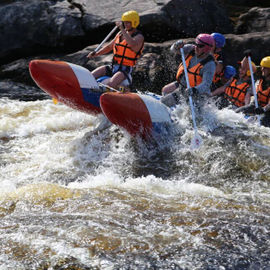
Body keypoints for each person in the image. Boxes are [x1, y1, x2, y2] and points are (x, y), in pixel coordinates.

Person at [87, 10, 144, 90]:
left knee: (110, 84)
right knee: (90, 76)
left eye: (128, 22)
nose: (125, 25)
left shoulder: (139, 37)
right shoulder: (120, 34)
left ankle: (127, 89)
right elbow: (109, 47)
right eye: (124, 22)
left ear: (134, 22)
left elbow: (131, 43)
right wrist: (96, 54)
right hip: (113, 66)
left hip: (125, 70)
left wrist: (122, 29)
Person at [161, 33, 216, 108]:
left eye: (200, 46)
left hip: (199, 96)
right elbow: (173, 50)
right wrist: (176, 45)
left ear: (207, 49)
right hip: (183, 89)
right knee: (164, 103)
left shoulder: (209, 64)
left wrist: (194, 90)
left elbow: (206, 84)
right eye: (196, 44)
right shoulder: (190, 49)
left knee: (190, 116)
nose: (196, 47)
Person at [236, 56, 270, 127]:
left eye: (265, 68)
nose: (262, 69)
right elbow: (245, 66)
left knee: (263, 123)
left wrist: (263, 109)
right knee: (238, 111)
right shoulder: (261, 74)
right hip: (258, 105)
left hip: (267, 110)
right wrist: (246, 56)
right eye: (262, 67)